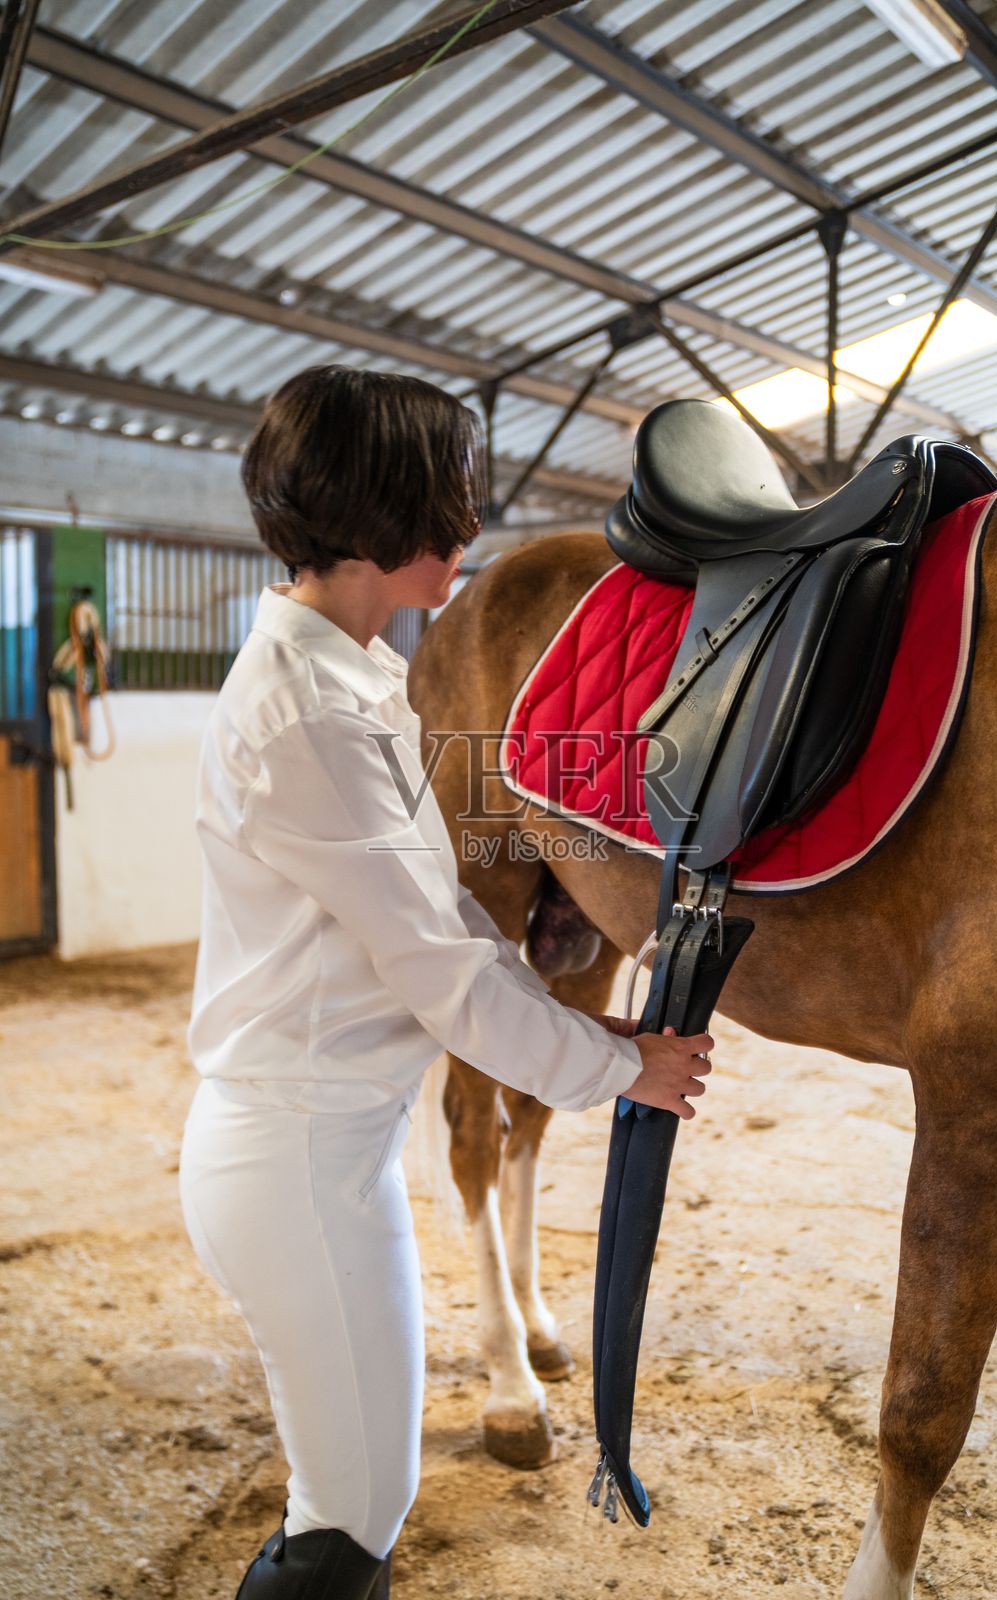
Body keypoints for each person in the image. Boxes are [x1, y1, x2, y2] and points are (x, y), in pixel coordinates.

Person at [178, 366, 714, 1600]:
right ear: (376, 513)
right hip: (296, 1161)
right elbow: (442, 967)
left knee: (364, 1500)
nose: (470, 522)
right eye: (447, 494)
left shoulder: (354, 679)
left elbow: (457, 943)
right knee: (348, 1515)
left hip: (331, 1154)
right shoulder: (308, 714)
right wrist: (623, 1062)